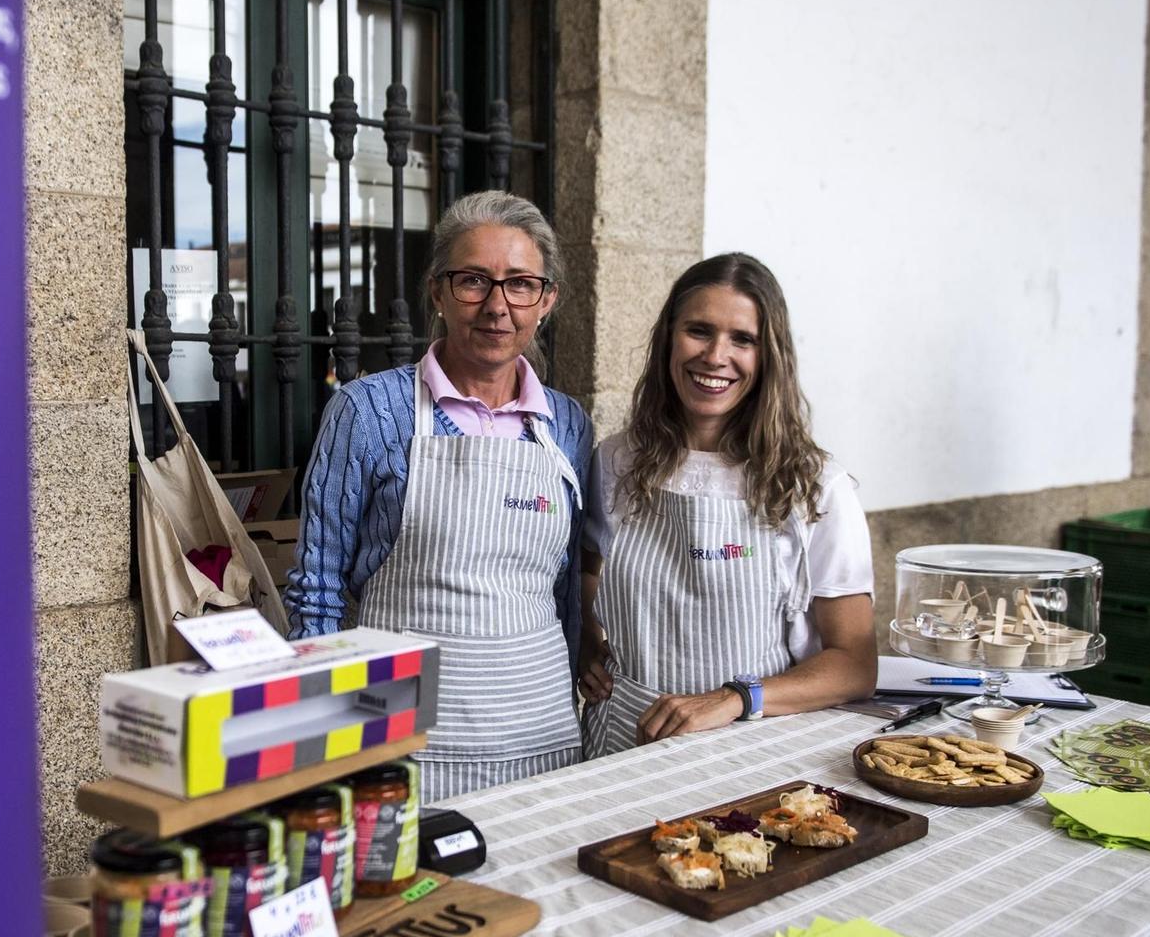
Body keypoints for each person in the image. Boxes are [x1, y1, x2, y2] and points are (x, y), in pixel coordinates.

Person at [285, 191, 593, 802]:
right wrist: (319, 737)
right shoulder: (368, 410)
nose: (497, 306)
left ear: (547, 300)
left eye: (521, 284)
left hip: (540, 733)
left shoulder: (567, 423)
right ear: (438, 292)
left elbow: (564, 587)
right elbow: (317, 588)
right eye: (473, 281)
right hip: (398, 738)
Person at [578, 252, 876, 753]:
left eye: (743, 339)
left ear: (769, 357)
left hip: (748, 749)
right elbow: (589, 566)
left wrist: (735, 698)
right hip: (620, 743)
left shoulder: (814, 486)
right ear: (669, 337)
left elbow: (854, 665)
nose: (716, 356)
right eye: (699, 330)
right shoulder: (616, 459)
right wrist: (587, 635)